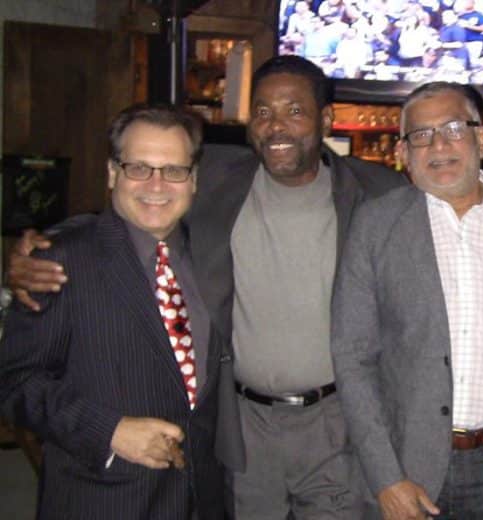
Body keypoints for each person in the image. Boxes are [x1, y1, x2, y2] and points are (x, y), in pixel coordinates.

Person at [7, 55, 406, 519]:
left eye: (294, 111)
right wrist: (40, 248)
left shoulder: (378, 191)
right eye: (262, 112)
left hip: (333, 420)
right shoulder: (221, 176)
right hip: (240, 423)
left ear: (325, 119)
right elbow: (126, 212)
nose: (275, 126)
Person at [0, 104, 224, 519]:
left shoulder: (213, 254)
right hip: (102, 501)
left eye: (173, 170)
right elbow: (13, 381)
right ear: (112, 174)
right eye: (138, 167)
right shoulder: (59, 260)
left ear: (192, 180)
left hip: (201, 499)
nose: (156, 185)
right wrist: (109, 431)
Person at [331, 82, 483, 519]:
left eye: (452, 129)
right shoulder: (374, 226)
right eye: (420, 135)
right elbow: (352, 357)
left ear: (481, 138)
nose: (437, 145)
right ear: (404, 153)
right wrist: (385, 476)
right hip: (410, 468)